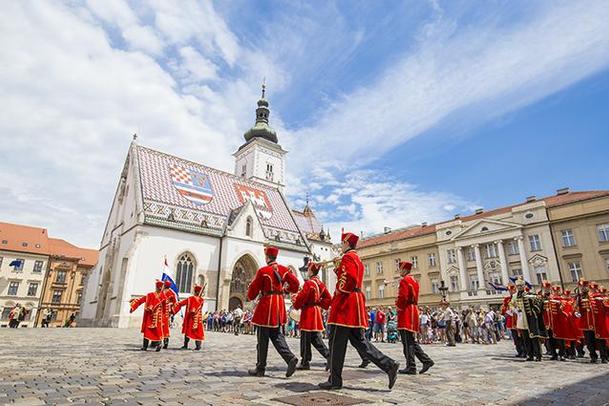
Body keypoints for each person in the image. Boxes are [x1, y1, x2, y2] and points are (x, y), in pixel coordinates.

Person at [320, 232, 399, 390]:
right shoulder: (356, 259)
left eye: (342, 243)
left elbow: (348, 278)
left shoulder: (348, 258)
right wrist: (338, 268)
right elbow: (348, 275)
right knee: (360, 342)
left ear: (347, 244)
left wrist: (338, 290)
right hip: (354, 302)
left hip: (346, 303)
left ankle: (335, 380)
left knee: (337, 343)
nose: (341, 246)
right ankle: (388, 365)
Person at [247, 245, 300, 378]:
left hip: (267, 306)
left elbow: (253, 291)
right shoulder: (284, 270)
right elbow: (295, 284)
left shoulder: (263, 271)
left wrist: (250, 293)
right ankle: (290, 358)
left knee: (262, 339)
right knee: (277, 336)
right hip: (279, 305)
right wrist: (285, 290)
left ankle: (260, 368)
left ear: (267, 257)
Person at [395, 260, 434, 375]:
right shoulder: (414, 281)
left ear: (405, 269)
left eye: (401, 269)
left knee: (407, 341)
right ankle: (426, 360)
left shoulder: (404, 281)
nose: (400, 271)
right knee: (410, 341)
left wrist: (397, 305)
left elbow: (403, 297)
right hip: (413, 310)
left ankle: (411, 366)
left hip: (406, 311)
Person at [292, 261, 332, 370]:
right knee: (315, 338)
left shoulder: (309, 283)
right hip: (316, 311)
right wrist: (318, 302)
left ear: (311, 271)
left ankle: (305, 361)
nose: (307, 271)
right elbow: (328, 298)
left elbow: (302, 297)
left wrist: (296, 302)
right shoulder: (320, 283)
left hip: (308, 312)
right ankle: (329, 356)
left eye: (308, 269)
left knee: (305, 338)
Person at [511, 277, 546, 361]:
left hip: (530, 319)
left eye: (521, 285)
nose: (519, 287)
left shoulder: (530, 294)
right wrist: (515, 310)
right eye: (518, 286)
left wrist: (534, 309)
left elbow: (539, 302)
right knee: (525, 339)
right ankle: (529, 355)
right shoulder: (515, 296)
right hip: (521, 319)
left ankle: (538, 355)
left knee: (534, 338)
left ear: (524, 286)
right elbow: (511, 304)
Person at [130, 280, 165, 351]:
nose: (159, 288)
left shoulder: (163, 297)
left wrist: (165, 318)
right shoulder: (150, 295)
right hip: (150, 316)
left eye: (160, 287)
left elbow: (165, 309)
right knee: (147, 331)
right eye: (159, 287)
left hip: (158, 317)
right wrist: (133, 306)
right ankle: (145, 346)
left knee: (158, 331)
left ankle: (159, 344)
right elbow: (140, 301)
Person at [174, 284, 205, 350]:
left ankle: (186, 345)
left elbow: (182, 303)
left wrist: (176, 305)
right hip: (198, 319)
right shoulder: (201, 300)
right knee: (198, 332)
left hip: (191, 318)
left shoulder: (191, 299)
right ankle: (198, 346)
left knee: (188, 332)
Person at [589, 282, 609, 363]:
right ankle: (594, 356)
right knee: (590, 342)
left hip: (600, 322)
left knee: (602, 340)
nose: (593, 290)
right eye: (592, 288)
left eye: (594, 288)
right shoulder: (587, 297)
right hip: (589, 323)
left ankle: (604, 356)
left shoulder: (602, 297)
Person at [161, 280, 177, 349]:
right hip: (159, 311)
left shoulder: (171, 293)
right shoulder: (161, 292)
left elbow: (174, 302)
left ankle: (165, 342)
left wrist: (170, 305)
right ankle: (155, 341)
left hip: (166, 312)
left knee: (165, 327)